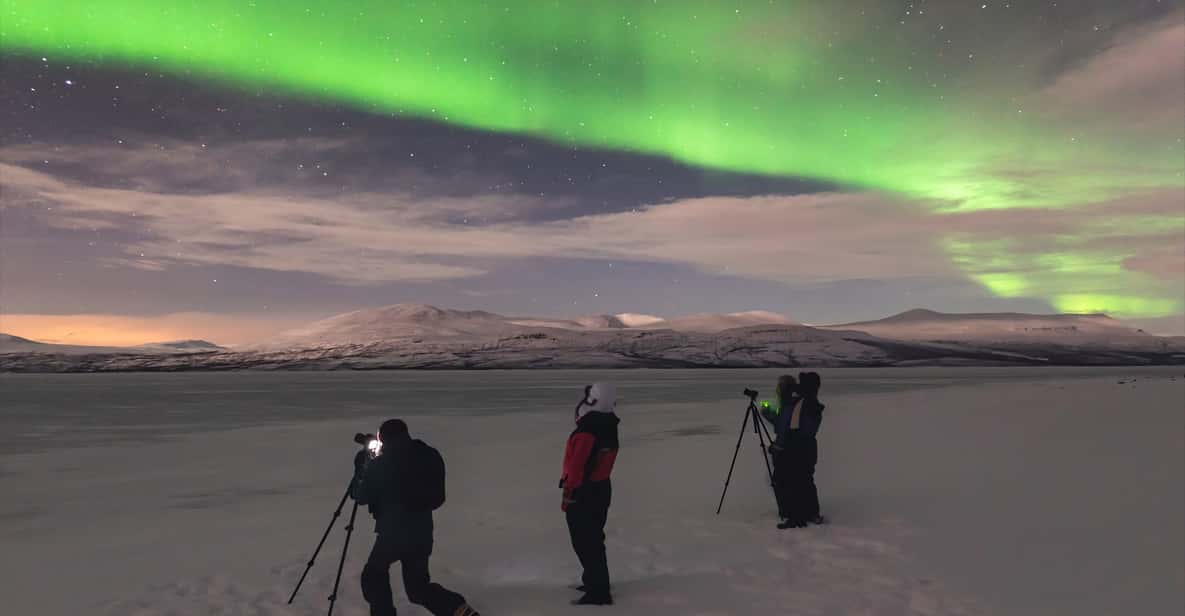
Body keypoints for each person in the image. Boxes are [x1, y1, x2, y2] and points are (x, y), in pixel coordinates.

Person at [353, 419, 480, 616]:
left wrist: (361, 467)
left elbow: (360, 496)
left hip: (392, 535)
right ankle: (458, 610)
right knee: (418, 588)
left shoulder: (381, 464)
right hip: (422, 533)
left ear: (382, 438)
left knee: (373, 575)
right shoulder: (428, 454)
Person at [560, 383, 621, 606]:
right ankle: (594, 580)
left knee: (586, 541)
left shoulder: (587, 431)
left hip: (584, 493)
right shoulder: (608, 424)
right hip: (601, 489)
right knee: (593, 538)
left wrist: (568, 496)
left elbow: (576, 469)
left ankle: (599, 593)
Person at [761, 374, 800, 524]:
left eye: (779, 386)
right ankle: (789, 509)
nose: (777, 390)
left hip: (786, 450)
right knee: (785, 480)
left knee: (781, 481)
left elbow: (783, 429)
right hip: (792, 449)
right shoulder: (790, 404)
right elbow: (780, 422)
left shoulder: (789, 405)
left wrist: (776, 448)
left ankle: (788, 511)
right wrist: (768, 413)